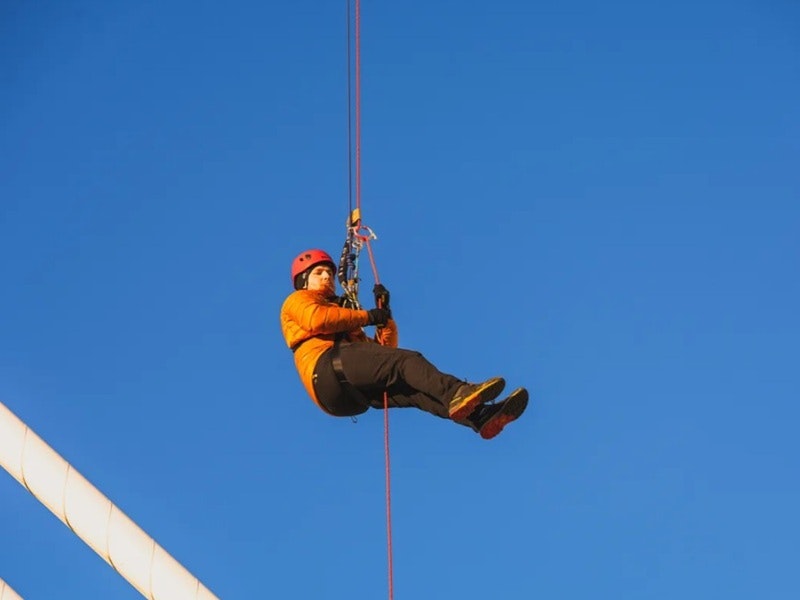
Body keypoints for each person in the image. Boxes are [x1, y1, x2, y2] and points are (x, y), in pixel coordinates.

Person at [280, 249, 527, 439]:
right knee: (408, 361)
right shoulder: (298, 300)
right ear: (304, 280)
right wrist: (367, 316)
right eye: (319, 273)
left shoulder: (345, 324)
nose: (327, 277)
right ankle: (457, 391)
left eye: (329, 273)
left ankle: (479, 416)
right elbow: (317, 319)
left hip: (343, 395)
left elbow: (383, 354)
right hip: (325, 370)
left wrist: (384, 317)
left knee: (413, 389)